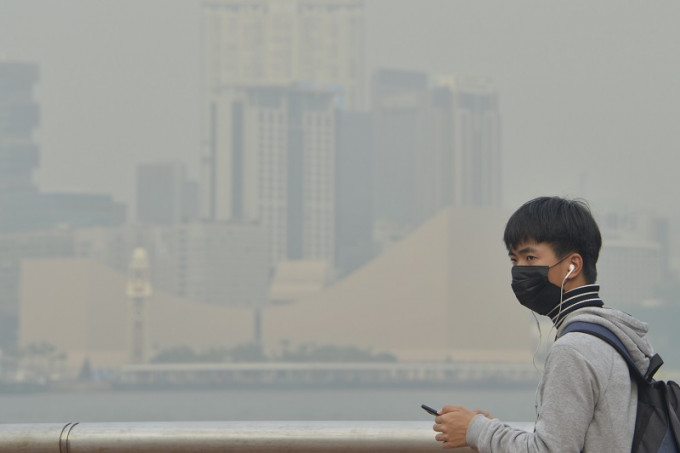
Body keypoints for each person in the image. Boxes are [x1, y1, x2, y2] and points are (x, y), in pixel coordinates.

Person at [432, 196, 656, 452]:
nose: (518, 271)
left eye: (530, 258)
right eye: (514, 260)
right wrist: (495, 430)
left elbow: (549, 450)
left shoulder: (574, 349)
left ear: (573, 265)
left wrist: (476, 429)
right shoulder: (612, 337)